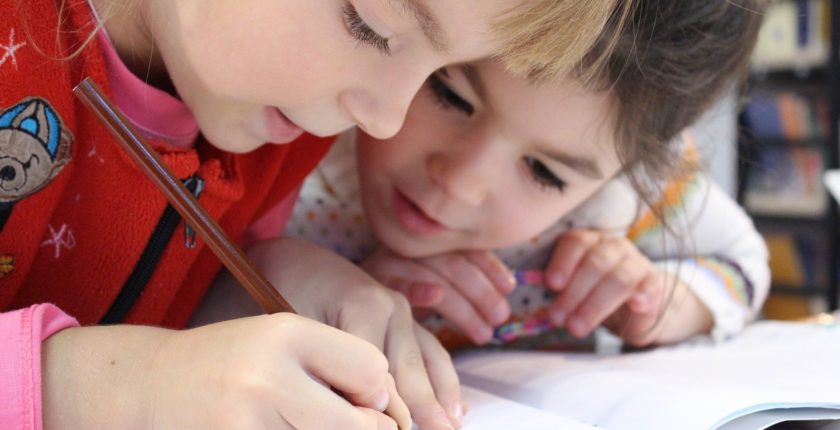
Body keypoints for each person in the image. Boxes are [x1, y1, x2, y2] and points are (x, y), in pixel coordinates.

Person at [0, 0, 633, 429]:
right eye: (370, 25)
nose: (384, 118)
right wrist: (119, 390)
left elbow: (145, 307)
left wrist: (263, 286)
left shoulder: (279, 127)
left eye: (437, 70)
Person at [268, 0, 771, 349]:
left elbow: (744, 262)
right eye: (451, 96)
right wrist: (336, 302)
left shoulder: (626, 200)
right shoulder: (295, 141)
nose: (461, 182)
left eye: (544, 173)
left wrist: (667, 300)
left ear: (630, 172)